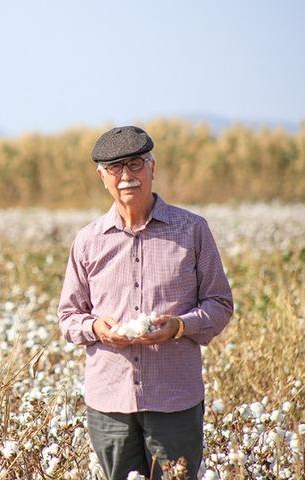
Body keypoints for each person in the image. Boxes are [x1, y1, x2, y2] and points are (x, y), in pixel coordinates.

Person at [57, 126, 234, 479]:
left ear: (152, 167)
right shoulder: (88, 240)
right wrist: (97, 328)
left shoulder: (192, 230)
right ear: (101, 177)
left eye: (135, 164)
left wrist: (179, 326)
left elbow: (220, 303)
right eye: (115, 168)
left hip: (174, 400)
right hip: (109, 405)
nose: (126, 177)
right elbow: (68, 317)